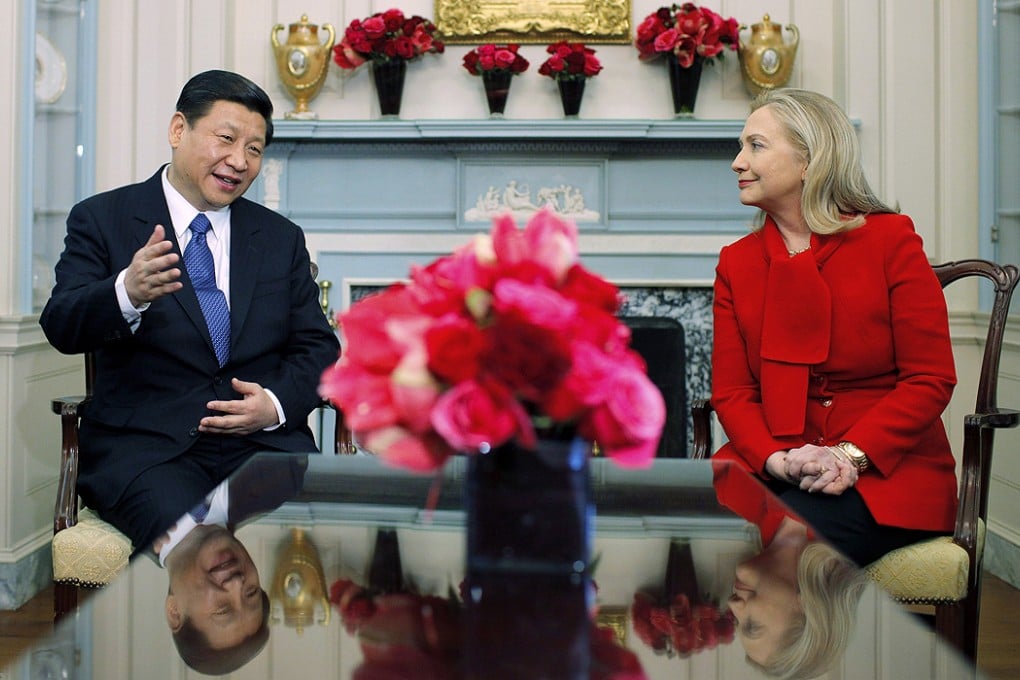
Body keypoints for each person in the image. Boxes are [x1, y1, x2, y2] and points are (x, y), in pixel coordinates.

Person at [39, 70, 340, 553]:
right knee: (196, 550)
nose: (239, 161)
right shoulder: (103, 219)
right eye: (226, 139)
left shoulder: (280, 238)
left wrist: (274, 406)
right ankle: (181, 627)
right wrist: (127, 292)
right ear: (179, 130)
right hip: (148, 455)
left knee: (311, 547)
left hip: (265, 450)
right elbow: (61, 325)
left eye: (255, 149)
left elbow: (318, 346)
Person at [711, 88, 957, 567]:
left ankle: (873, 644)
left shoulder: (890, 239)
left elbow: (930, 379)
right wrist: (776, 461)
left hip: (887, 471)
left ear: (809, 160)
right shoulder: (735, 263)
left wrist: (850, 456)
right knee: (691, 541)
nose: (737, 162)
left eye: (755, 146)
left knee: (790, 539)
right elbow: (733, 393)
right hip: (772, 461)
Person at [155, 454, 308, 675]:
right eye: (251, 592)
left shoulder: (118, 534)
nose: (236, 584)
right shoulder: (279, 481)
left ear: (175, 612)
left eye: (223, 609)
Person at [715, 460, 868, 679]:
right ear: (806, 609)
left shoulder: (731, 491)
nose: (732, 604)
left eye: (737, 622)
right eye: (752, 625)